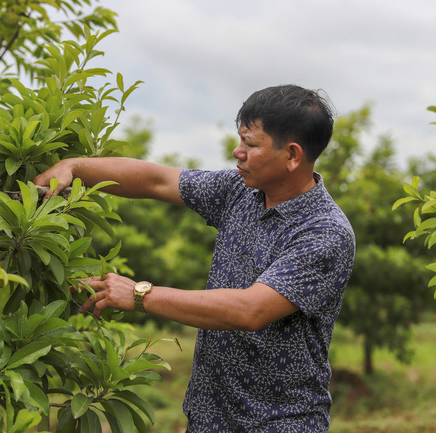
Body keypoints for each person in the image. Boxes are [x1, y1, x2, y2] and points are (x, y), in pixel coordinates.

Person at [34, 84, 355, 433]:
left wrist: (140, 294)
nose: (237, 152)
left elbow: (251, 310)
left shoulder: (324, 232)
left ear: (292, 155)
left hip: (278, 423)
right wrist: (74, 167)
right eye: (239, 140)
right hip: (209, 416)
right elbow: (157, 181)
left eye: (250, 144)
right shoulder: (240, 192)